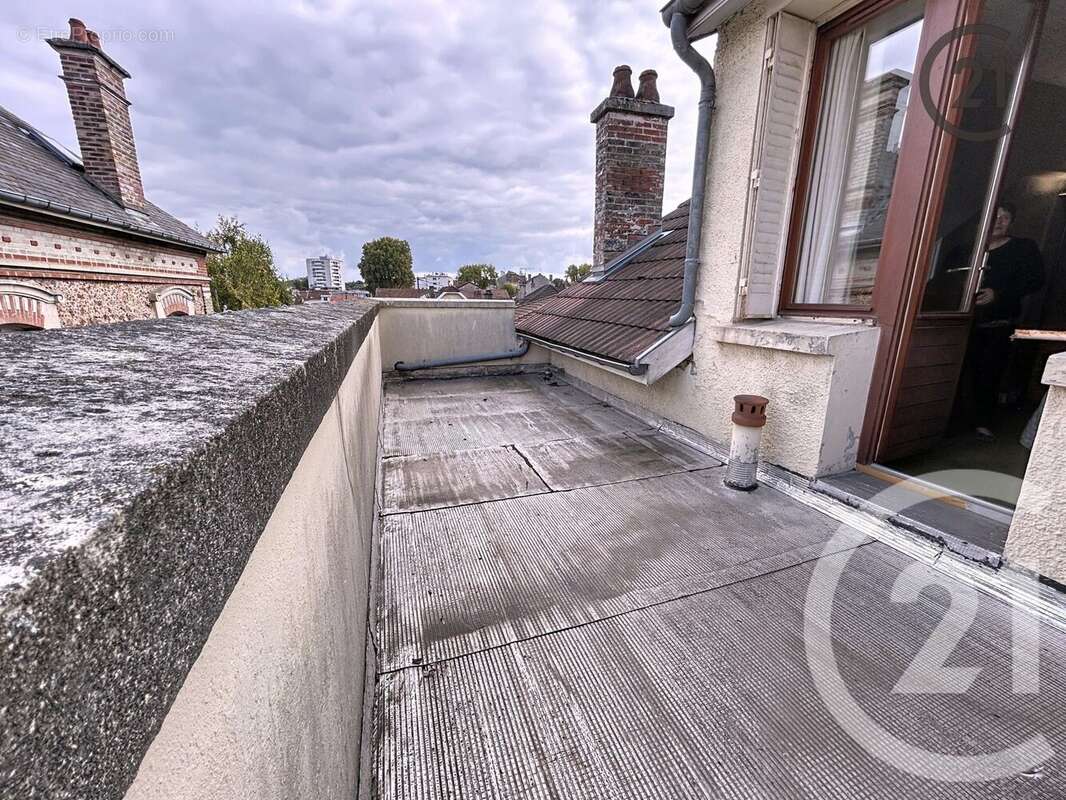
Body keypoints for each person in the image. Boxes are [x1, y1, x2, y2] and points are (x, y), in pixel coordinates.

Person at [969, 202, 1045, 441]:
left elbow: (1035, 281)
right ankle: (954, 421)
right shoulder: (967, 249)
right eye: (995, 216)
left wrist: (998, 294)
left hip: (999, 323)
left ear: (1012, 221)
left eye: (1005, 216)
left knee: (990, 373)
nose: (1000, 221)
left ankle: (983, 422)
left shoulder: (1023, 248)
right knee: (962, 373)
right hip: (962, 324)